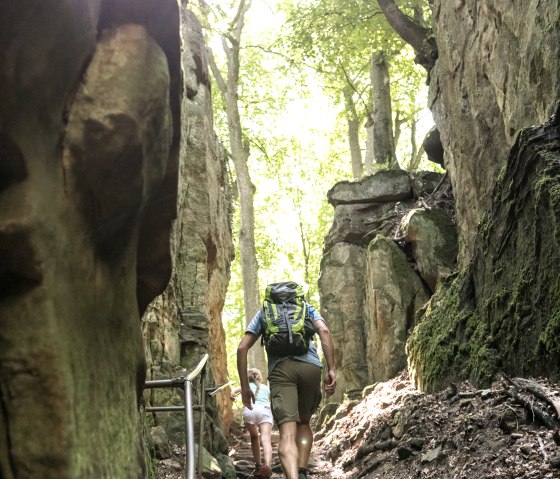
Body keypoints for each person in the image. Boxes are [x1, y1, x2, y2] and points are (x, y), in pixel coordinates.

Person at [236, 283, 337, 479]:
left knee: (287, 433)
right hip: (310, 368)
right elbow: (324, 332)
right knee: (304, 423)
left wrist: (244, 387)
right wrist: (331, 368)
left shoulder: (265, 312)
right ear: (296, 296)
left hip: (281, 371)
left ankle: (293, 476)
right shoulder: (306, 308)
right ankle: (302, 469)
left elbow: (242, 348)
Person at [231, 368, 273, 478]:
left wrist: (232, 396)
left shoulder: (245, 386)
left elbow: (233, 392)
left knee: (254, 437)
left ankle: (258, 466)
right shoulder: (265, 388)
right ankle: (267, 465)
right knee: (266, 439)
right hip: (264, 410)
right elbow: (273, 398)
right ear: (259, 377)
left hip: (250, 411)